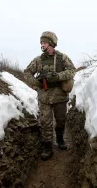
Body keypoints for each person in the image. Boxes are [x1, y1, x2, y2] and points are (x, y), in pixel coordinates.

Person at [23, 31, 76, 161]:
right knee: (45, 122)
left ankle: (60, 139)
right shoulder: (38, 60)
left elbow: (72, 71)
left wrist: (58, 76)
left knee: (61, 120)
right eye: (41, 42)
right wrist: (37, 83)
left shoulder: (62, 58)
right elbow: (27, 73)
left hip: (60, 96)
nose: (42, 44)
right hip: (44, 97)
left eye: (44, 42)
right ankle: (47, 147)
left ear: (51, 43)